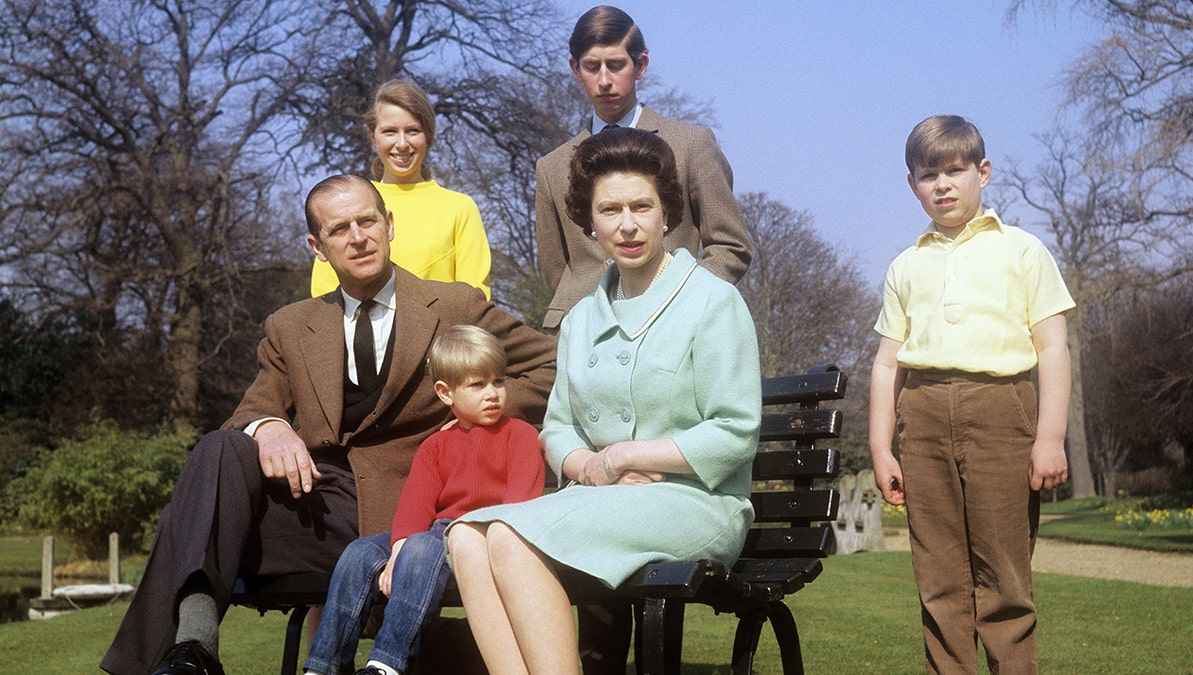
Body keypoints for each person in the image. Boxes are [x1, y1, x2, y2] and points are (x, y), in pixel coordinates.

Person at [101, 174, 556, 675]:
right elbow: (248, 412)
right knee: (218, 450)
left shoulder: (454, 305)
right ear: (318, 247)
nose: (358, 237)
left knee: (184, 521)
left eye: (367, 221)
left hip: (420, 514)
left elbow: (550, 365)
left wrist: (477, 409)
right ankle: (194, 647)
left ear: (389, 224)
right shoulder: (291, 326)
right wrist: (269, 426)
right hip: (324, 509)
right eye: (340, 229)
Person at [445, 127, 762, 674]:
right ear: (589, 224)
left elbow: (734, 430)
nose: (628, 224)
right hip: (604, 497)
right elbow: (559, 428)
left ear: (668, 213)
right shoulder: (583, 317)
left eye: (643, 206)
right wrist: (591, 466)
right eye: (610, 210)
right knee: (467, 537)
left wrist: (624, 457)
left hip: (697, 503)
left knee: (510, 536)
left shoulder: (712, 301)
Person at [868, 114, 1074, 673]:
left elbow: (1053, 348)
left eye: (955, 170)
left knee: (1004, 578)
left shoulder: (1023, 251)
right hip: (924, 418)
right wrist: (883, 448)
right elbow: (888, 364)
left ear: (982, 172)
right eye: (927, 174)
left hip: (1001, 412)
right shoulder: (905, 265)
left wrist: (1050, 437)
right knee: (939, 581)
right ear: (911, 184)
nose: (942, 184)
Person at [303, 324, 546, 675]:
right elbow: (415, 506)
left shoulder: (520, 436)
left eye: (499, 381)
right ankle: (323, 665)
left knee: (421, 547)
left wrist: (412, 551)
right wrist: (396, 554)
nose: (492, 394)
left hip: (479, 542)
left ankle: (386, 663)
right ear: (446, 393)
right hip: (430, 539)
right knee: (361, 552)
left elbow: (516, 510)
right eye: (477, 385)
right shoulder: (436, 445)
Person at [534, 5, 751, 333]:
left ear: (641, 65)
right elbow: (557, 271)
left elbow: (730, 245)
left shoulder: (692, 144)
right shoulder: (551, 166)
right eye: (592, 67)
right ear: (575, 69)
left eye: (616, 64)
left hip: (670, 328)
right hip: (578, 336)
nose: (604, 80)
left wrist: (685, 301)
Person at [310, 80, 492, 299]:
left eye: (413, 131)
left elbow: (475, 299)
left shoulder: (460, 208)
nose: (402, 143)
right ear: (372, 137)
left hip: (440, 332)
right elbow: (325, 296)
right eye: (390, 131)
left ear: (429, 137)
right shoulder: (347, 205)